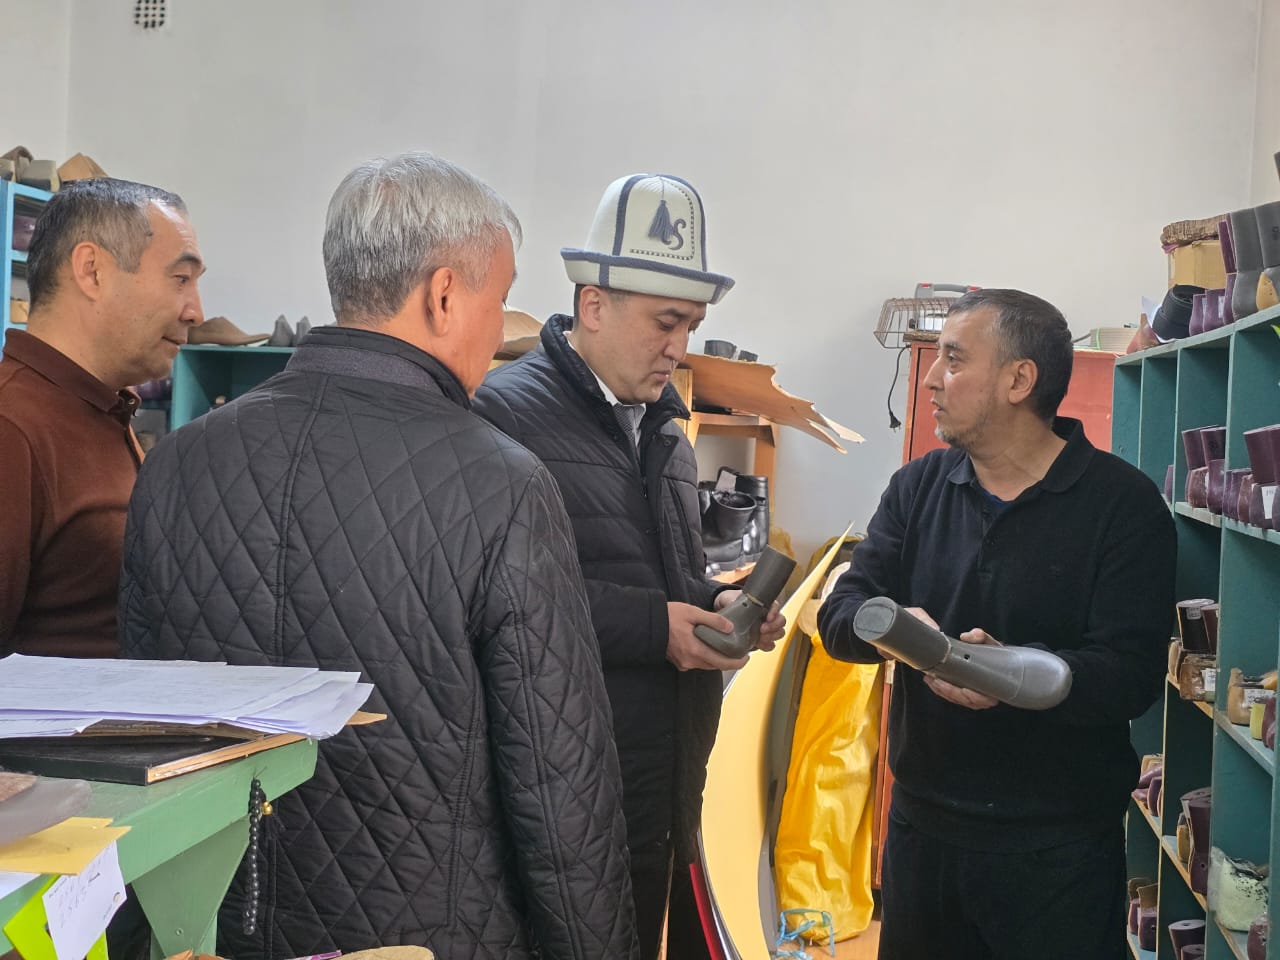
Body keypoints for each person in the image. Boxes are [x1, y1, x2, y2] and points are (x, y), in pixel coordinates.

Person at [120, 152, 638, 960]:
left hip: (209, 930)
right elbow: (560, 784)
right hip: (428, 937)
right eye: (499, 301)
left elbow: (140, 746)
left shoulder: (179, 462)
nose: (501, 330)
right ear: (443, 295)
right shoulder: (501, 485)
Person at [473, 173, 785, 960]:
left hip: (658, 783)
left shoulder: (666, 434)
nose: (679, 346)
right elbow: (491, 600)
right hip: (562, 793)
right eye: (665, 322)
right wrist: (656, 629)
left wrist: (716, 608)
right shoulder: (502, 417)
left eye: (692, 325)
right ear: (593, 305)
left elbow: (664, 579)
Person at [818, 288, 1176, 960]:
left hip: (1056, 856)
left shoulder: (1123, 508)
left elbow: (1128, 675)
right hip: (923, 837)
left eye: (954, 360)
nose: (931, 378)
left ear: (1019, 380)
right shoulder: (918, 487)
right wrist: (891, 627)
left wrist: (1010, 674)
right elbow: (842, 610)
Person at [0, 177, 205, 656]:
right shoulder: (12, 428)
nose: (196, 311)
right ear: (92, 271)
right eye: (180, 279)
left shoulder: (102, 408)